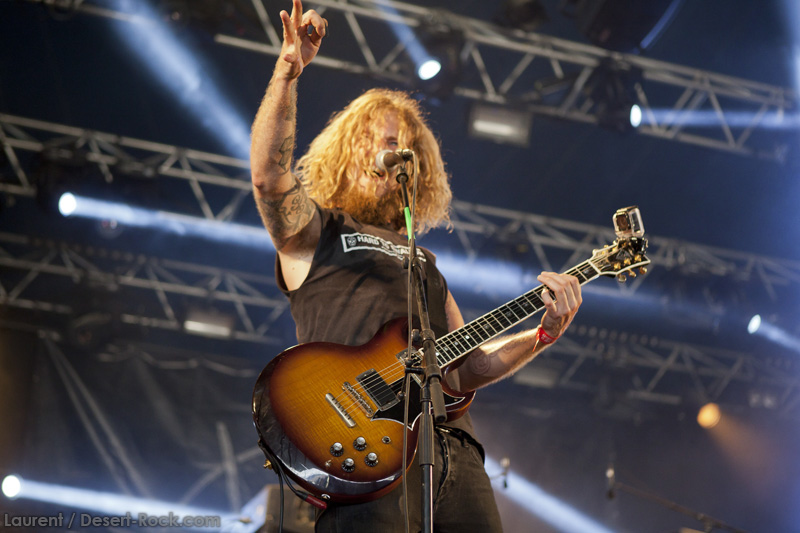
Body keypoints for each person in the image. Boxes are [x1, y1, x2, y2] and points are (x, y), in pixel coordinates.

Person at [250, 1, 582, 531]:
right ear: (349, 152)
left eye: (403, 148)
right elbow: (269, 178)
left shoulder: (425, 264)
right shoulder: (320, 232)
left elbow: (466, 366)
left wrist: (542, 335)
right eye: (382, 141)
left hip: (453, 453)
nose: (394, 153)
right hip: (363, 449)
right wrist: (288, 74)